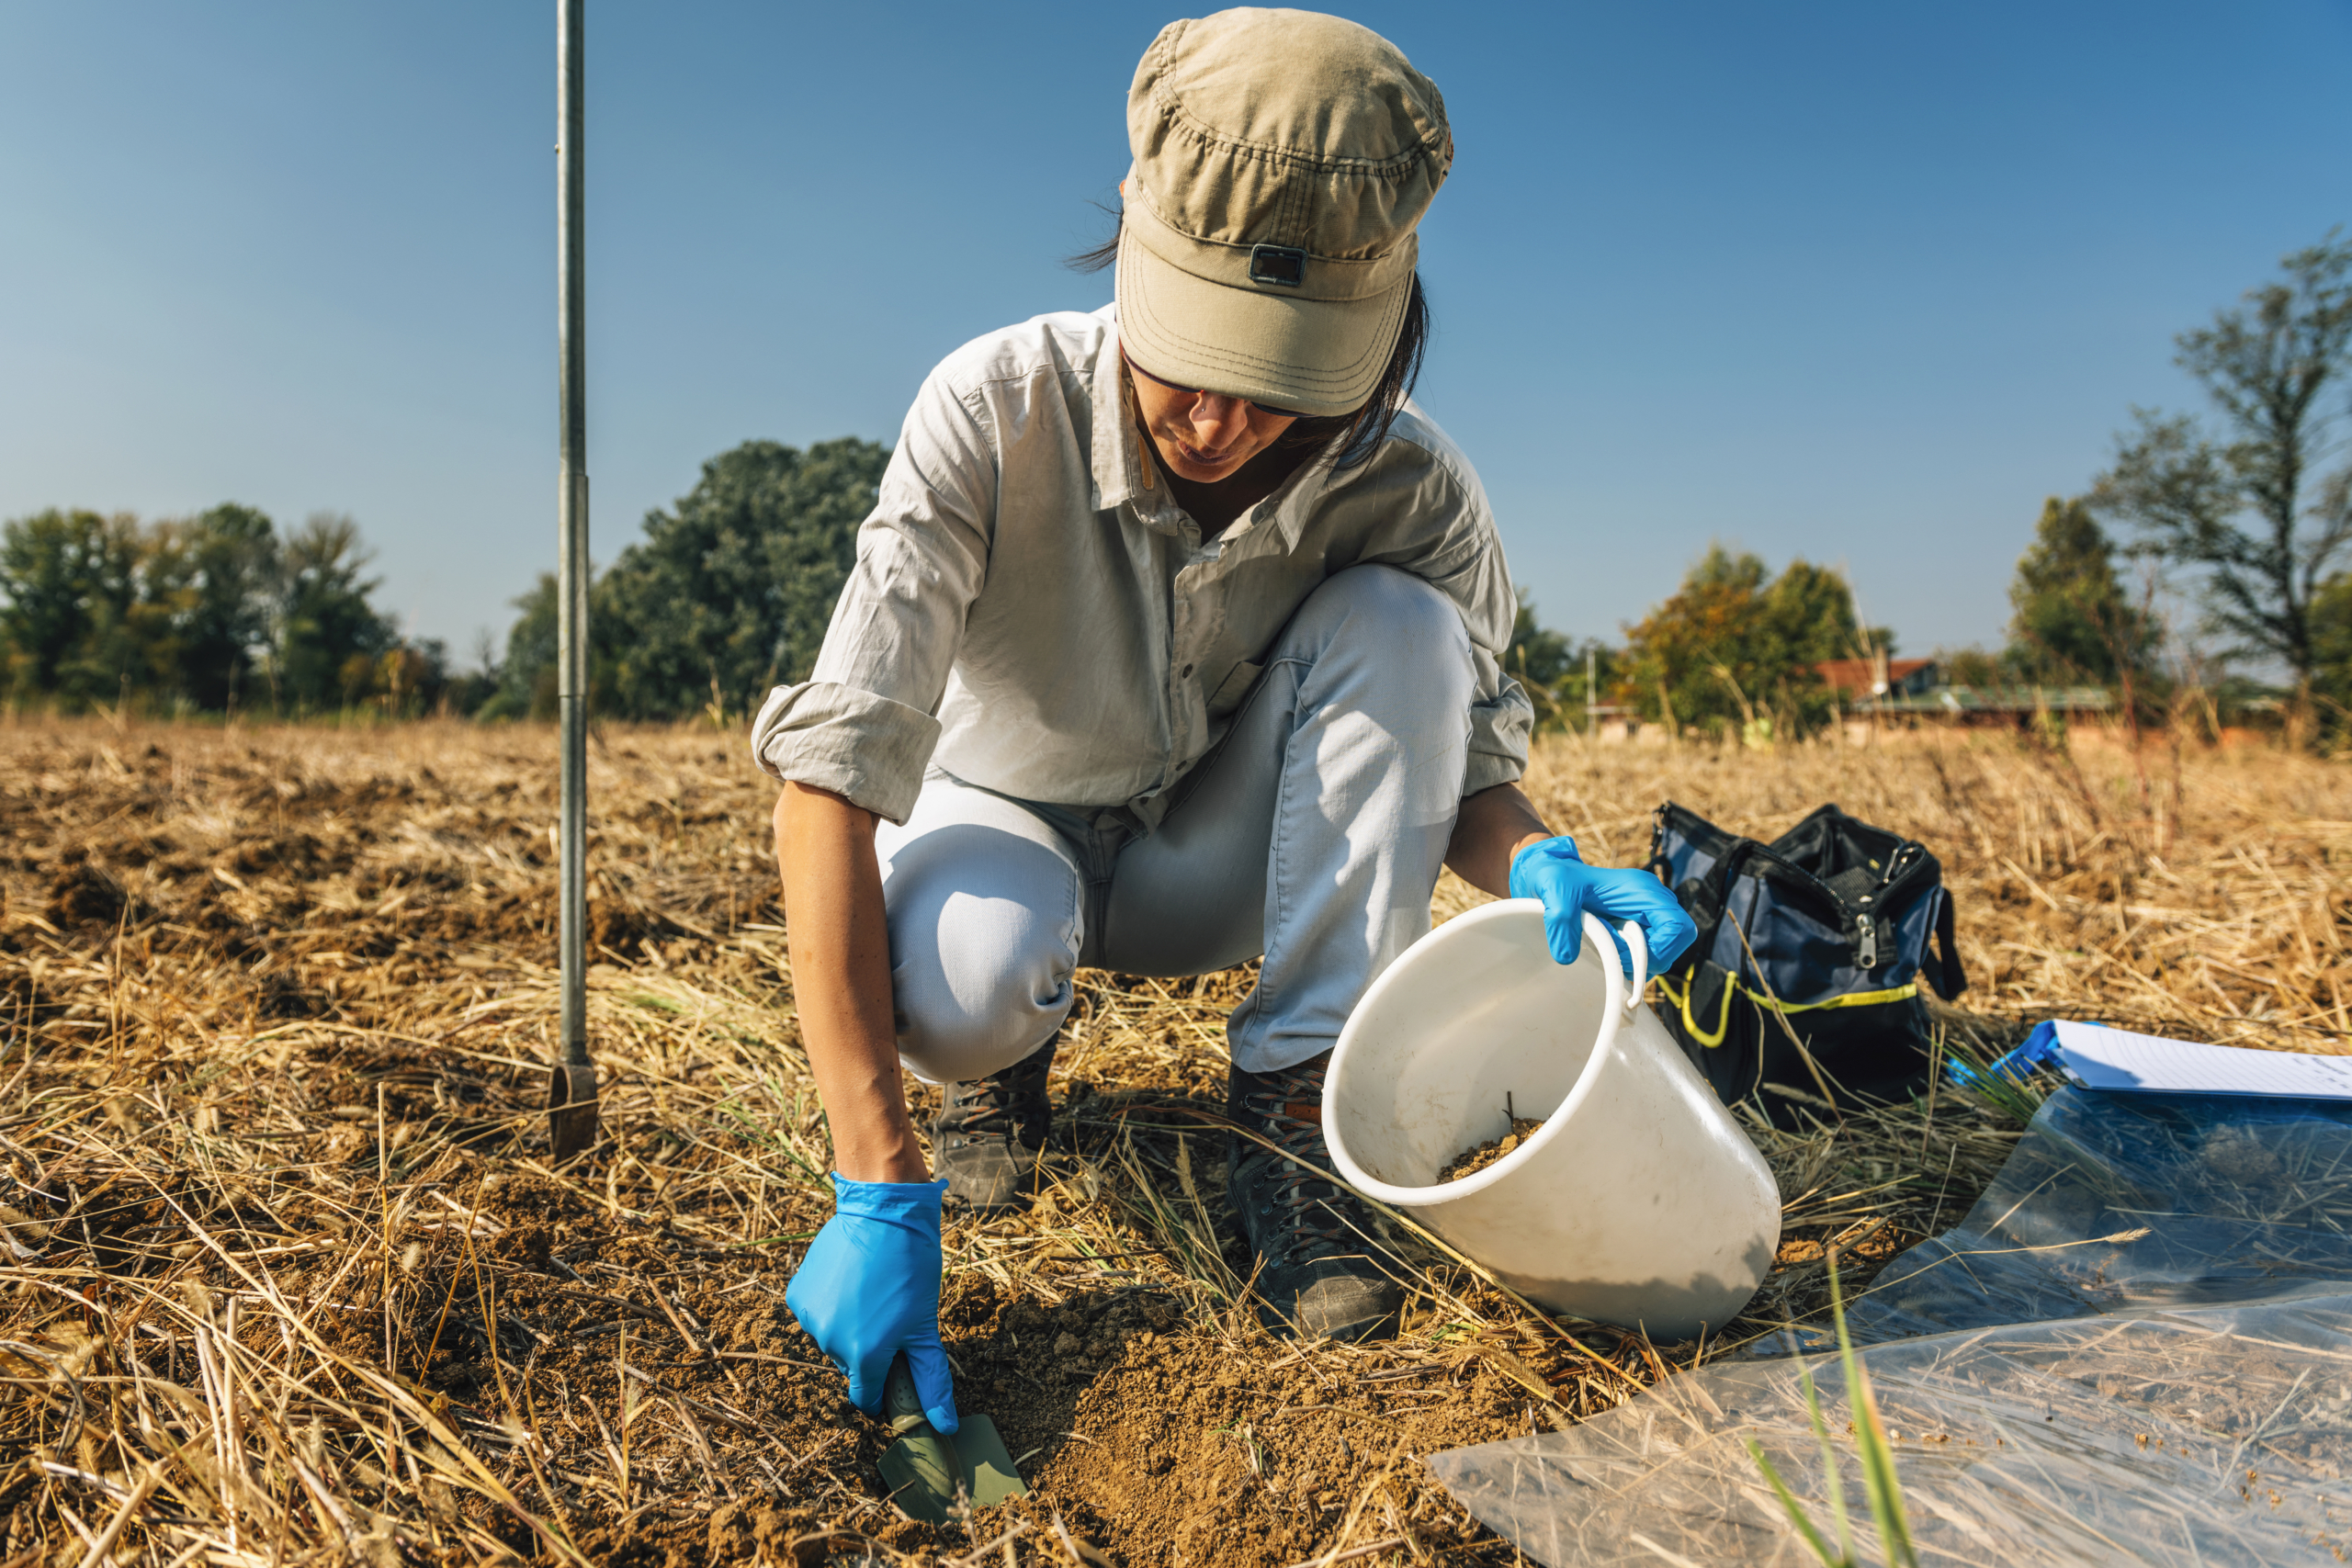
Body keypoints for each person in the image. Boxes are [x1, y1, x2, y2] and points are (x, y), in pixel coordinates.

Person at [752, 8, 1696, 1436]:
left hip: (1207, 857)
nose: (1217, 422)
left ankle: (1295, 1112)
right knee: (970, 984)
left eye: (1279, 385)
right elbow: (829, 783)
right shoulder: (988, 409)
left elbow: (1461, 778)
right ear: (1134, 250)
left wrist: (1544, 865)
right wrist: (877, 1186)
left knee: (1404, 623)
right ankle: (1006, 1081)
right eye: (1189, 358)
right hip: (1001, 818)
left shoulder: (1415, 492)